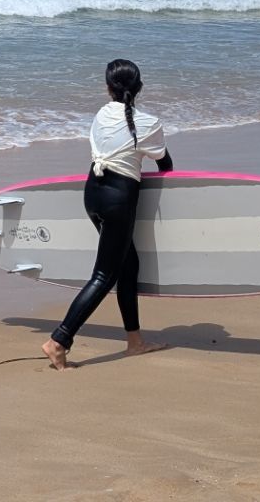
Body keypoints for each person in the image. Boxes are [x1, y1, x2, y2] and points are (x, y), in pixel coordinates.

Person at [40, 58, 174, 370]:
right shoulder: (148, 123)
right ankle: (59, 341)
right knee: (104, 275)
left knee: (129, 266)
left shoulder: (101, 114)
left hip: (93, 194)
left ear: (107, 87)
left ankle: (135, 342)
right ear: (139, 88)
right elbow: (165, 165)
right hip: (119, 201)